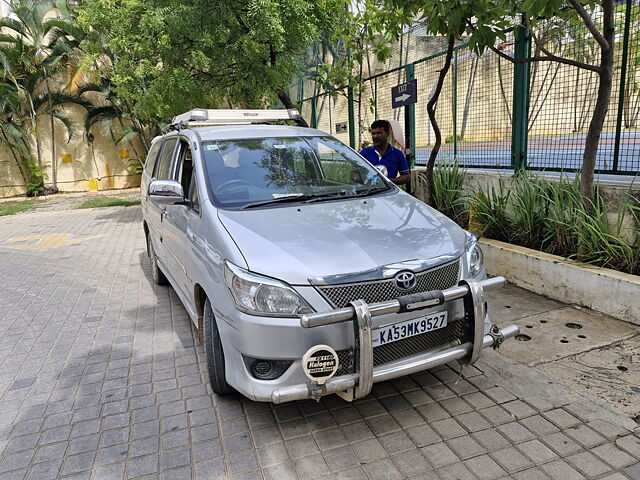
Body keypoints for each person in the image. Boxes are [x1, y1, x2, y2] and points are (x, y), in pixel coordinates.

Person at [359, 119, 410, 185]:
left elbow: (406, 176)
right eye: (373, 133)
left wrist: (388, 181)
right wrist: (365, 179)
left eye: (379, 133)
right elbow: (354, 174)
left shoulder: (397, 154)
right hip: (368, 192)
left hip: (388, 193)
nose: (375, 136)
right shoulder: (364, 153)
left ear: (387, 133)